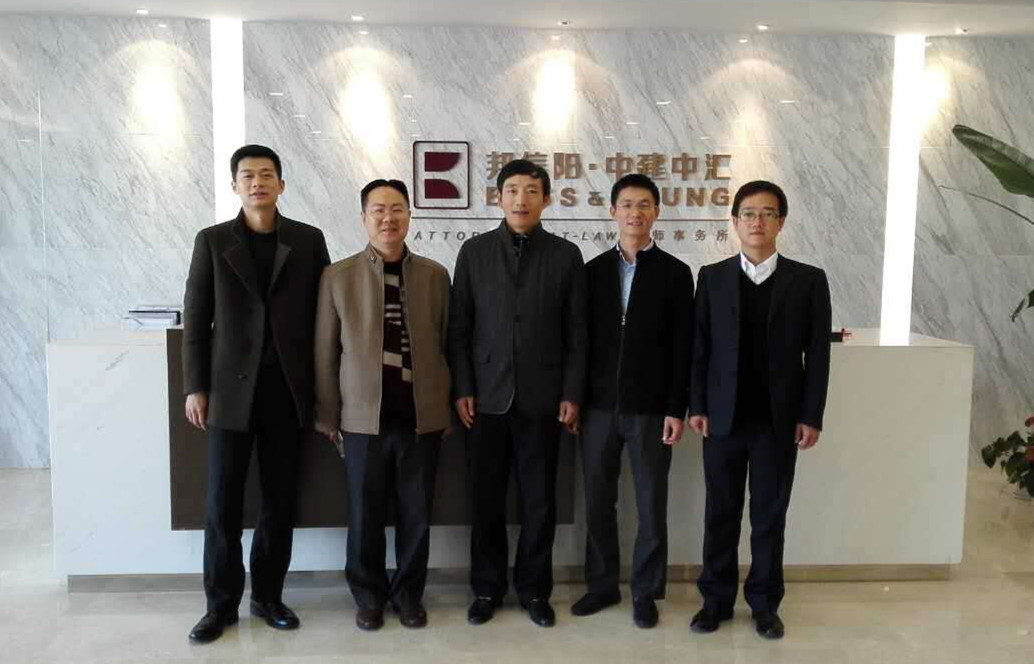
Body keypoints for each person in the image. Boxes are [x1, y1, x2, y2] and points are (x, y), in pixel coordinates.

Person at [183, 144, 330, 643]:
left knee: (278, 502)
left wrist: (324, 389)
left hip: (287, 393)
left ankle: (268, 598)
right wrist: (195, 386)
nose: (257, 183)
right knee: (222, 504)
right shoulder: (211, 241)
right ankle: (219, 605)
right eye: (247, 176)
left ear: (282, 185)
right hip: (228, 394)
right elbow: (196, 319)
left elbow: (324, 317)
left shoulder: (308, 240)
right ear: (234, 186)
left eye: (267, 175)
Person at [687, 180, 831, 640]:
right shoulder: (712, 277)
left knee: (769, 516)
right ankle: (715, 601)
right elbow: (700, 348)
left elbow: (817, 356)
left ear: (781, 222)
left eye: (768, 213)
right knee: (721, 513)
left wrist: (810, 415)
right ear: (735, 221)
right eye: (748, 213)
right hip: (722, 419)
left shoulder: (808, 280)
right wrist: (697, 404)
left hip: (778, 421)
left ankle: (765, 605)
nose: (757, 221)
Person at [448, 158, 587, 628]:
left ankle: (534, 590)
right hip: (484, 400)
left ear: (546, 199)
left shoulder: (565, 255)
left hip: (543, 400)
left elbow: (577, 334)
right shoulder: (474, 252)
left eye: (531, 191)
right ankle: (486, 589)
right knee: (485, 501)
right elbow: (459, 328)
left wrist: (571, 392)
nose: (521, 199)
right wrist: (463, 387)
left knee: (539, 502)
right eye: (512, 190)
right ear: (499, 197)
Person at [314, 179, 451, 631]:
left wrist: (445, 408)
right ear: (364, 218)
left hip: (420, 418)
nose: (388, 218)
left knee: (417, 515)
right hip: (361, 420)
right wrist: (329, 415)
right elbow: (325, 352)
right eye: (378, 210)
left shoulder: (434, 275)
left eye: (397, 209)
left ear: (410, 215)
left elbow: (448, 344)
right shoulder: (338, 276)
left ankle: (409, 595)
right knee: (364, 515)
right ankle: (368, 596)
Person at [572, 173, 694, 629]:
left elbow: (683, 349)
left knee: (650, 504)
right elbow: (579, 343)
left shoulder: (676, 273)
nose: (634, 213)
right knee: (598, 502)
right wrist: (575, 399)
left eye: (644, 205)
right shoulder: (592, 272)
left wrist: (675, 408)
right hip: (598, 408)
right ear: (612, 212)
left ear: (656, 212)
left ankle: (646, 591)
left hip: (651, 409)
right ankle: (602, 585)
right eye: (626, 204)